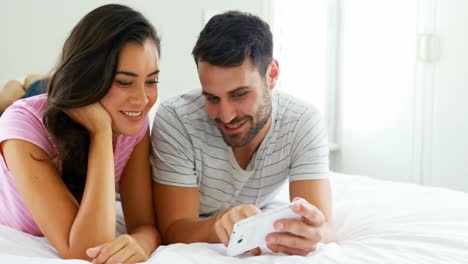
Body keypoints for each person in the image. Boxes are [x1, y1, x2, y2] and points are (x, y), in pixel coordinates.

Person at [151, 10, 336, 256]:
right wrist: (219, 224)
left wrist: (313, 233)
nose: (225, 116)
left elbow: (319, 223)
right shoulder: (177, 119)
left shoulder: (302, 121)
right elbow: (173, 230)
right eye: (212, 98)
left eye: (240, 95)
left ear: (271, 75)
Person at [0, 4, 161, 263]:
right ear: (89, 76)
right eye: (124, 82)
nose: (143, 99)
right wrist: (100, 132)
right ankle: (17, 89)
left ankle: (32, 84)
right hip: (31, 117)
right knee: (15, 106)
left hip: (63, 103)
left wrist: (140, 243)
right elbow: (87, 248)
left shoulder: (134, 125)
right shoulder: (23, 125)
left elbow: (144, 224)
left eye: (152, 81)